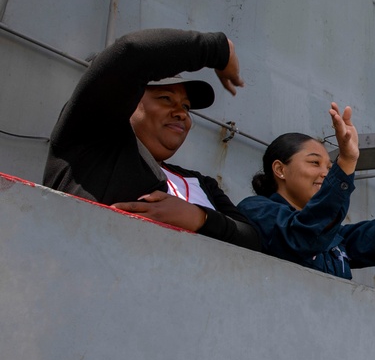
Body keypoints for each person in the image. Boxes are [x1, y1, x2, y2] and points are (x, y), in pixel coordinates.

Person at [43, 28, 259, 249]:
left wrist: (199, 218)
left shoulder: (201, 183)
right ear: (129, 101)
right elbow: (131, 52)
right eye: (166, 98)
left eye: (186, 106)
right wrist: (218, 48)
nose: (181, 113)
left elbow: (252, 240)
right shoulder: (95, 140)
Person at [237, 105, 375, 278]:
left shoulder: (336, 237)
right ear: (280, 169)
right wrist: (346, 161)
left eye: (330, 168)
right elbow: (303, 236)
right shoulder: (255, 210)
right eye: (314, 162)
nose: (325, 173)